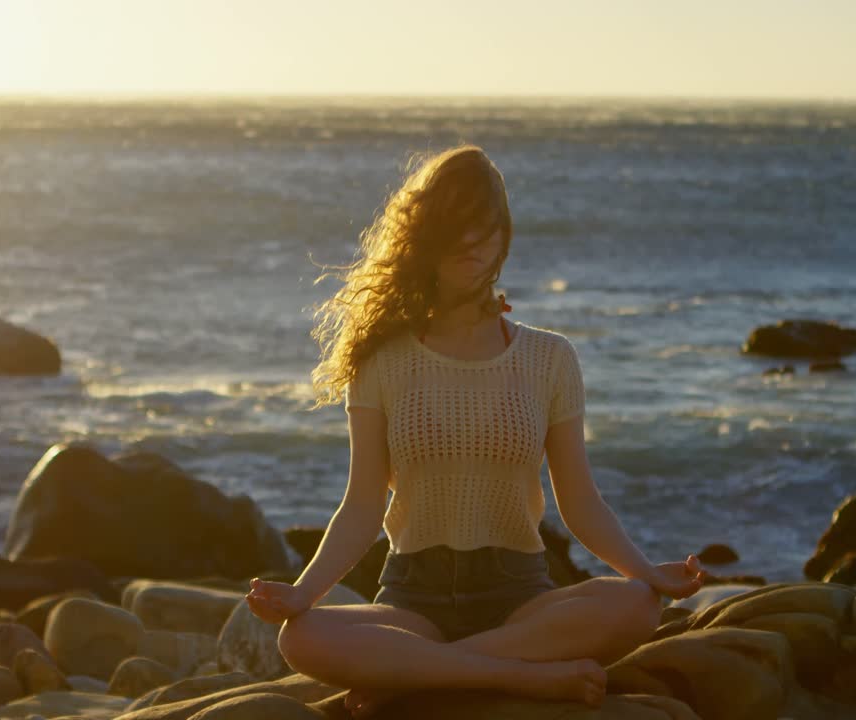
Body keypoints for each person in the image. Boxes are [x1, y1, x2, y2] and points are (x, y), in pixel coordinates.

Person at [246, 144, 706, 717]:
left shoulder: (549, 358)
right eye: (457, 227)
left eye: (485, 228)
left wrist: (645, 570)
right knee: (300, 637)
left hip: (521, 600)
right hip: (412, 599)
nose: (472, 243)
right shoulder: (382, 362)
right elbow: (362, 504)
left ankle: (414, 676)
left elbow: (580, 501)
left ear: (503, 237)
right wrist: (302, 592)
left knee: (638, 604)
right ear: (425, 239)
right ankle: (521, 678)